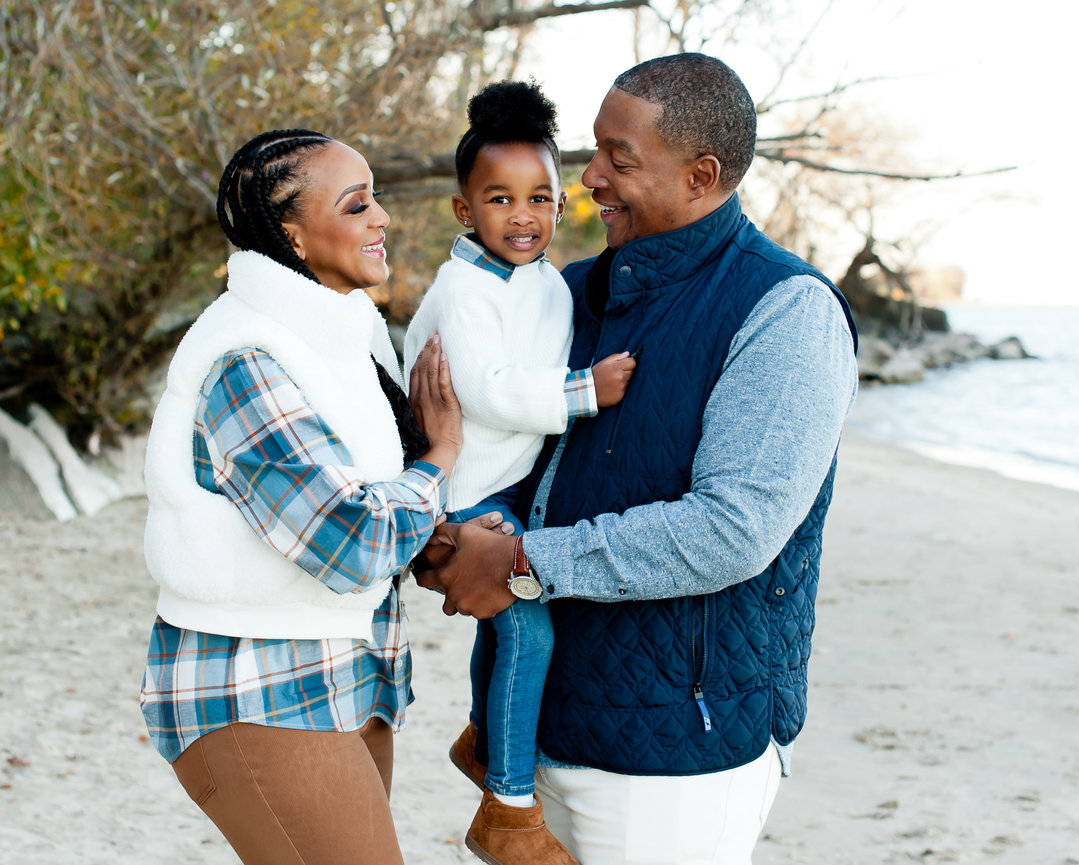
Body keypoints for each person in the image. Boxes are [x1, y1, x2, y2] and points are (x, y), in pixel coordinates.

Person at [413, 53, 860, 865]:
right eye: (592, 151)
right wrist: (440, 519)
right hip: (535, 729)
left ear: (701, 175)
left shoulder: (786, 311)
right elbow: (489, 428)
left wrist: (517, 560)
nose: (589, 179)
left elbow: (732, 529)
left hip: (673, 755)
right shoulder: (560, 289)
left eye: (619, 159)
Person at [138, 129, 471, 865]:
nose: (382, 217)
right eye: (357, 205)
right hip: (255, 684)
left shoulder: (346, 333)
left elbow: (375, 494)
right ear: (289, 231)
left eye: (376, 197)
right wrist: (441, 455)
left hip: (347, 665)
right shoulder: (247, 357)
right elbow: (351, 541)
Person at [404, 80, 636, 865]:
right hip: (466, 488)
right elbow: (483, 389)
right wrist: (583, 391)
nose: (523, 215)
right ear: (464, 212)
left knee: (505, 631)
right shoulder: (463, 288)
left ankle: (482, 740)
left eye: (540, 196)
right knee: (526, 631)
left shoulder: (542, 280)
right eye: (499, 200)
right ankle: (507, 806)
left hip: (506, 480)